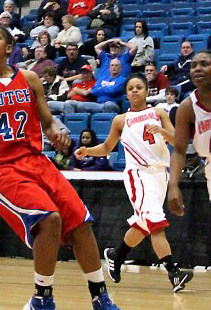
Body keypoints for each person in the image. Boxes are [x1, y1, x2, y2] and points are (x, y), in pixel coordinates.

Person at [0, 24, 132, 310]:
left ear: (10, 47)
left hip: (37, 161)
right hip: (0, 167)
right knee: (49, 219)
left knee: (80, 221)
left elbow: (48, 122)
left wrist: (58, 134)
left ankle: (100, 299)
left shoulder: (30, 79)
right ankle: (41, 300)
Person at [78, 74, 193, 292]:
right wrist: (87, 151)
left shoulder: (158, 113)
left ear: (147, 90)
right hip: (138, 175)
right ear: (127, 93)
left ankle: (116, 254)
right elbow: (106, 147)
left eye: (139, 87)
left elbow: (178, 140)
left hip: (160, 174)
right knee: (156, 223)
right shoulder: (120, 120)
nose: (134, 91)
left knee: (143, 224)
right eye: (130, 88)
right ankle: (174, 273)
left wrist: (162, 131)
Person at [169, 50, 211, 215]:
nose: (197, 69)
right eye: (193, 66)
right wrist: (173, 185)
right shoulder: (187, 108)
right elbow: (179, 150)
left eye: (204, 64)